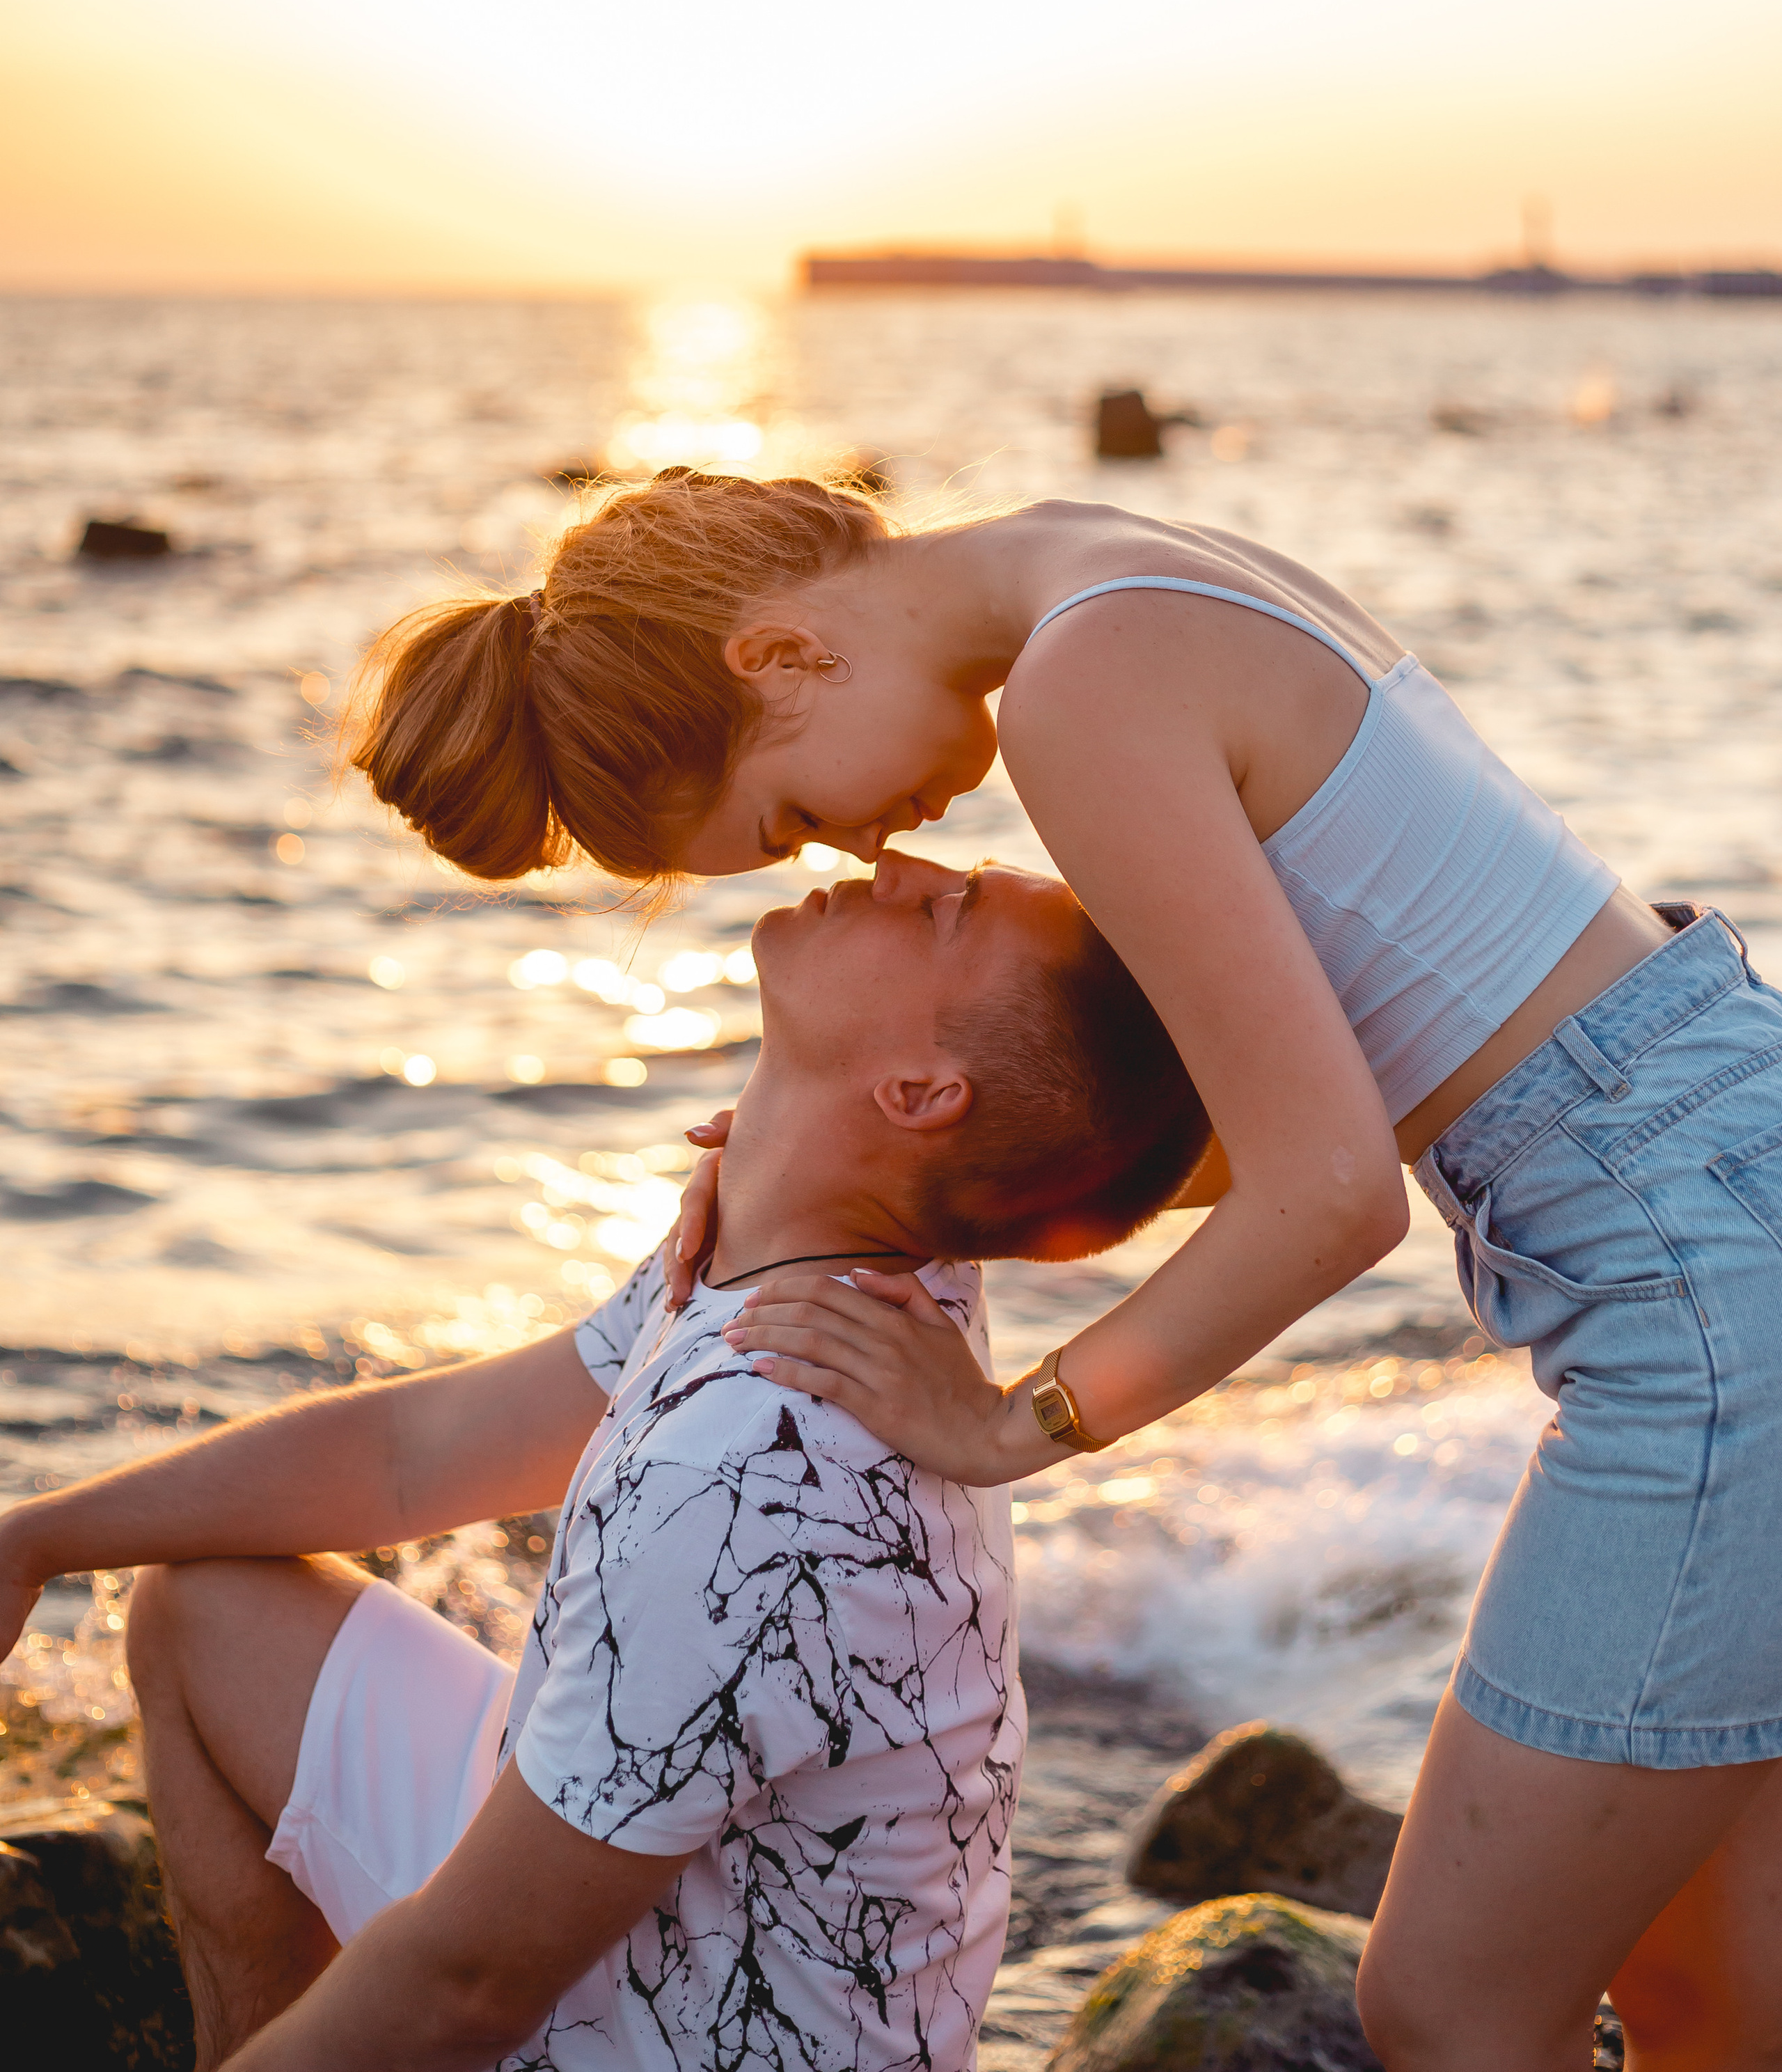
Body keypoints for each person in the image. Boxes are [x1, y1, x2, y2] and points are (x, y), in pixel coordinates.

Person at [349, 469, 1782, 2071]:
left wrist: (1005, 1427)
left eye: (797, 816)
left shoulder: (1082, 685)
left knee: (1450, 2012)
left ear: (776, 660)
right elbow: (1365, 1075)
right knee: (1704, 1990)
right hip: (1727, 1186)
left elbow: (1326, 1198)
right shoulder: (1124, 565)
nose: (864, 843)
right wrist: (809, 1168)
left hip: (1701, 1303)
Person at [0, 846, 1207, 2072]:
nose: (897, 862)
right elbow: (418, 1457)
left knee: (428, 1970)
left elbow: (466, 1988)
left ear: (917, 1092)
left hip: (662, 2043)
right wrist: (34, 1537)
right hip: (639, 1910)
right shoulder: (825, 1262)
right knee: (199, 1600)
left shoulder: (751, 1474)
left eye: (945, 911)